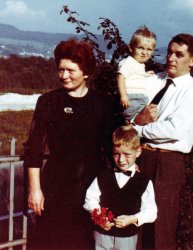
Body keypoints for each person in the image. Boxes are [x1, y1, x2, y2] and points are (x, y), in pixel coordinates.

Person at [23, 39, 113, 250]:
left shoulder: (103, 103)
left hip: (91, 186)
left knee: (85, 242)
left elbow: (112, 148)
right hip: (56, 186)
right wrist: (35, 190)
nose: (64, 76)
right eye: (60, 70)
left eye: (71, 70)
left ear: (87, 72)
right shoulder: (48, 102)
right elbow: (34, 149)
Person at [132, 33, 193, 249]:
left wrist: (138, 129)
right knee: (134, 220)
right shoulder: (153, 81)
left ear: (192, 61)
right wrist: (137, 121)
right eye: (169, 52)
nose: (171, 58)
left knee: (160, 227)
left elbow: (174, 129)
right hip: (140, 157)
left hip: (167, 163)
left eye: (179, 54)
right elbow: (131, 110)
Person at [83, 125, 157, 250]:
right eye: (116, 154)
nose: (121, 160)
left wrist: (133, 218)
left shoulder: (144, 181)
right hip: (101, 235)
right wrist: (99, 217)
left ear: (138, 151)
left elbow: (151, 211)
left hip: (127, 238)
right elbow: (89, 200)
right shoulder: (103, 177)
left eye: (127, 154)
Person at [117, 26, 157, 122]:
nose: (144, 52)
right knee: (146, 119)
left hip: (139, 99)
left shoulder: (139, 64)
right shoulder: (129, 62)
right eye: (140, 48)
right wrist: (123, 95)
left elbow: (134, 75)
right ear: (131, 48)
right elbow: (120, 77)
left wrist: (144, 74)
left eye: (149, 49)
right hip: (131, 98)